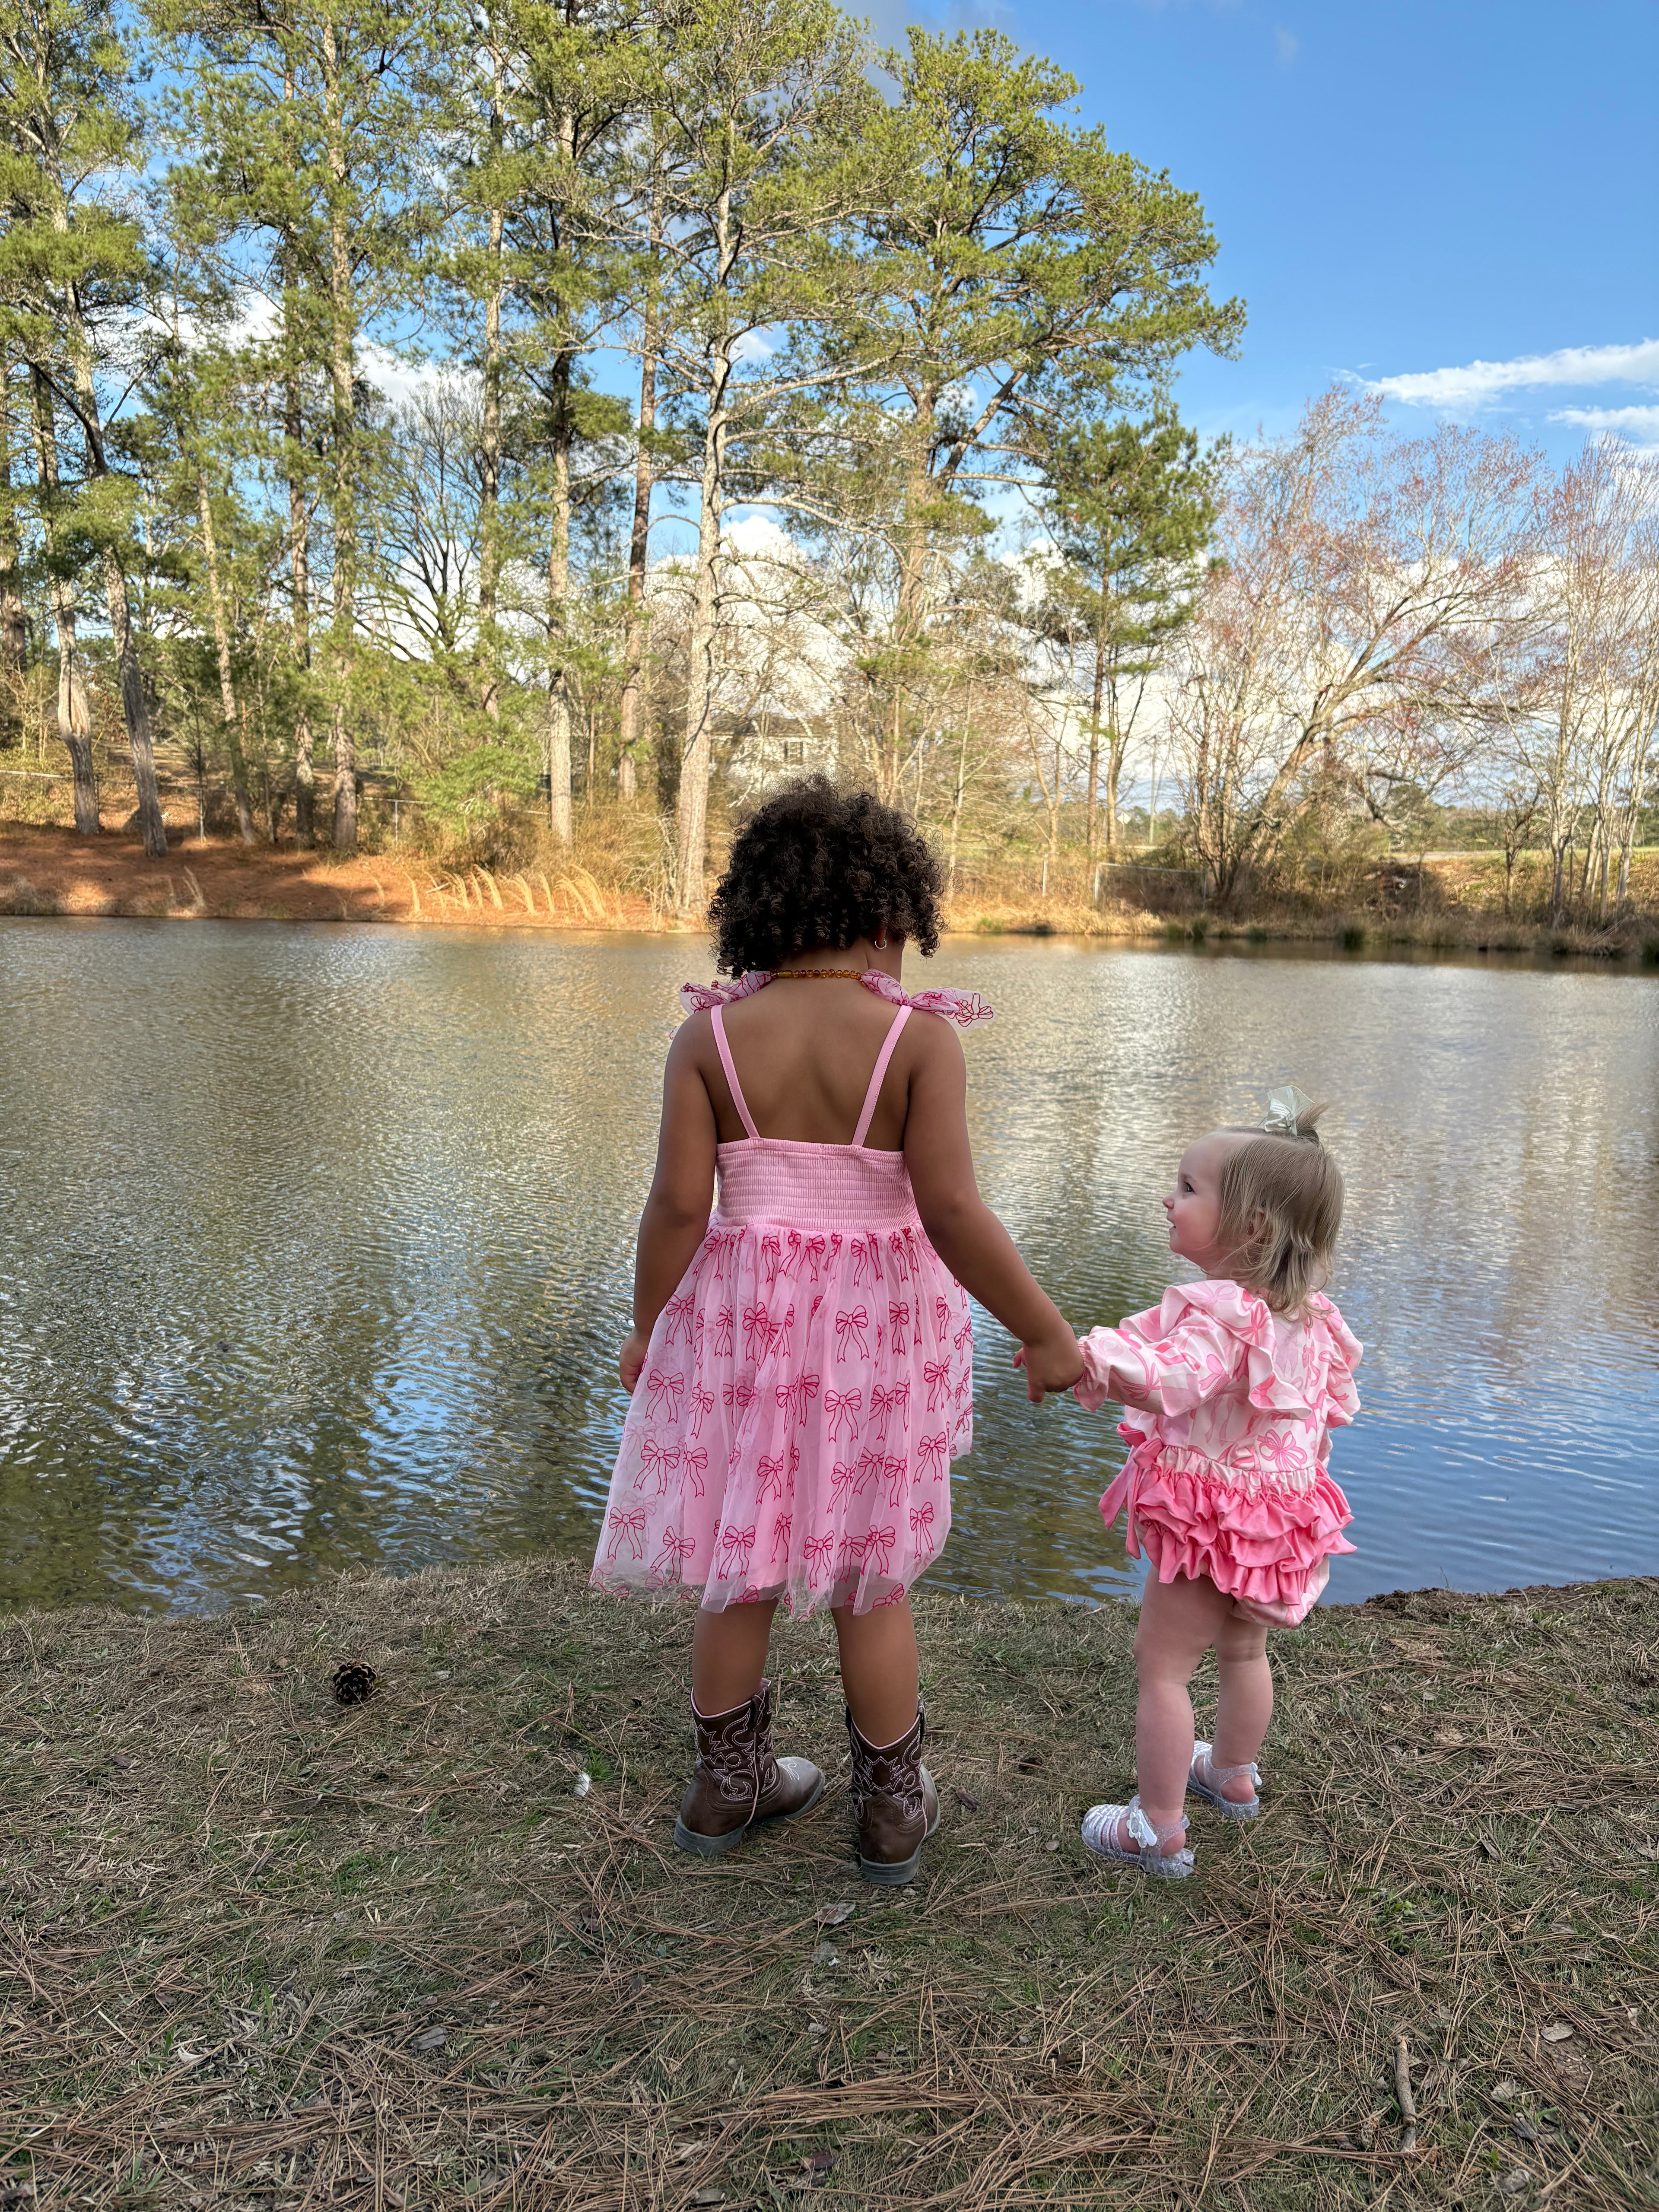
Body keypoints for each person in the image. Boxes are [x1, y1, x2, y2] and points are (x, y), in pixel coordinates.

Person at [591, 778, 1082, 1883]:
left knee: (742, 1567)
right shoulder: (916, 1040)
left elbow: (676, 1208)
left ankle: (727, 1785)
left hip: (745, 1333)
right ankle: (893, 1808)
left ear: (760, 915)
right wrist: (1045, 1332)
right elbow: (954, 1211)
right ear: (882, 914)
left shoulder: (709, 1038)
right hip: (874, 1343)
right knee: (872, 1575)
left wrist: (645, 1327)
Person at [1058, 1087, 1360, 1879]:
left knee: (1163, 1667)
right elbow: (1318, 1419)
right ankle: (1231, 1774)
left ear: (1250, 1226)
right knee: (1243, 1650)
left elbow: (1167, 1379)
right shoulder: (1311, 1317)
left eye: (1189, 1188)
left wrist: (1083, 1359)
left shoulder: (1225, 1314)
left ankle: (1155, 1828)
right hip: (1280, 1517)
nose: (1170, 1197)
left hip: (1209, 1518)